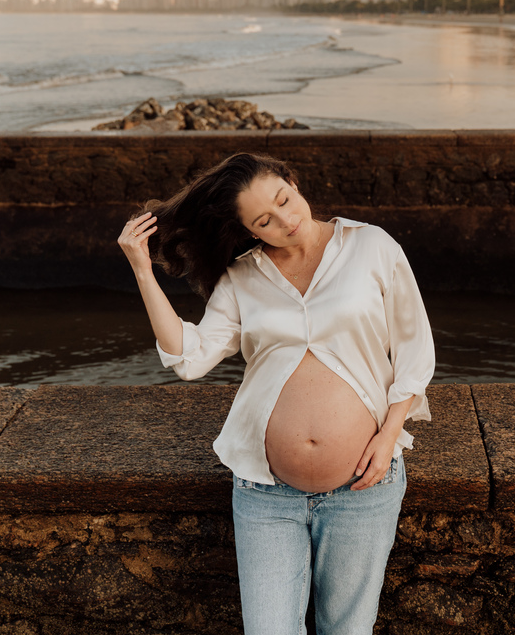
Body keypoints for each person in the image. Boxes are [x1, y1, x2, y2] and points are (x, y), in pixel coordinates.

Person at [116, 152, 436, 635]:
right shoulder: (242, 276)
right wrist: (143, 270)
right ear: (249, 231)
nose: (286, 220)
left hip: (362, 486)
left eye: (285, 200)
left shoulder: (372, 247)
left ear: (292, 182)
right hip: (265, 494)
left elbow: (415, 352)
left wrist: (389, 435)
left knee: (347, 631)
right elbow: (191, 357)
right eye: (264, 220)